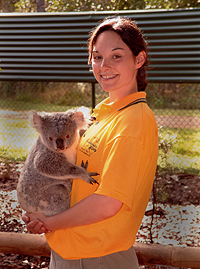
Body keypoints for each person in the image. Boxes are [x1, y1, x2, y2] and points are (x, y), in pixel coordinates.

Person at [22, 16, 158, 268]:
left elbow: (108, 203)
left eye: (116, 56)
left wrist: (47, 222)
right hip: (70, 249)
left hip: (97, 256)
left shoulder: (133, 121)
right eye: (97, 57)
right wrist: (38, 205)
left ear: (139, 59)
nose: (104, 65)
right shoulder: (103, 114)